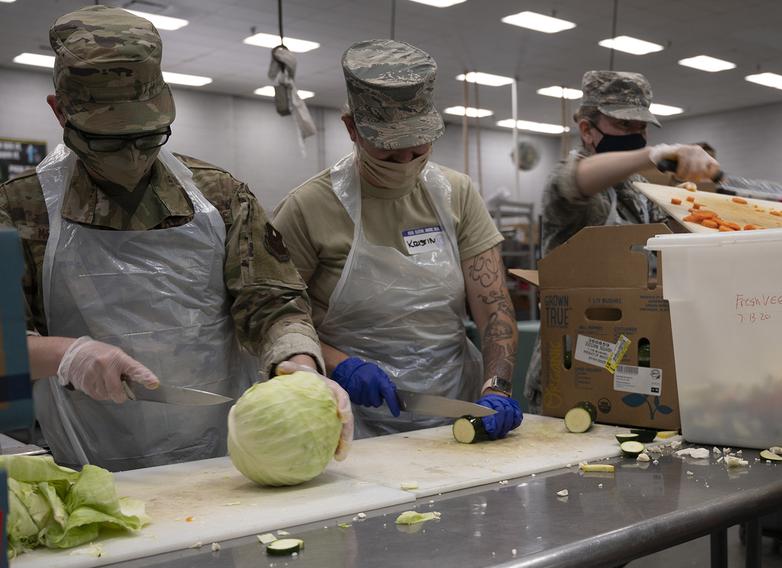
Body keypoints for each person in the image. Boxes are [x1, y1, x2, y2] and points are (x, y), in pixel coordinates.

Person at [0, 5, 352, 471]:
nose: (132, 156)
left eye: (149, 137)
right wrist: (65, 354)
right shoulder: (18, 211)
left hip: (228, 460)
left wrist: (299, 364)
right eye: (106, 140)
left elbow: (273, 302)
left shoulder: (221, 197)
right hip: (89, 463)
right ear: (59, 111)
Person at [273, 39, 522, 440]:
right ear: (352, 128)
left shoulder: (456, 194)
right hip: (348, 418)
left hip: (456, 412)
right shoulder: (308, 207)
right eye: (390, 155)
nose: (406, 166)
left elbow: (493, 307)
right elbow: (277, 318)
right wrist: (340, 365)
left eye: (419, 152)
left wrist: (496, 387)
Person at [525, 70, 721, 413]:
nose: (635, 136)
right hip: (573, 357)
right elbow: (577, 182)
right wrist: (655, 154)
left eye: (640, 129)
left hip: (633, 353)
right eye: (623, 126)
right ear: (587, 130)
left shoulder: (639, 190)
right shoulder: (566, 182)